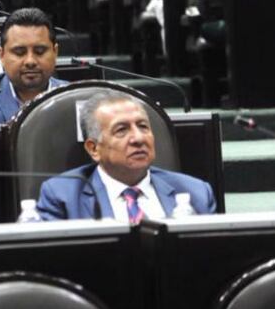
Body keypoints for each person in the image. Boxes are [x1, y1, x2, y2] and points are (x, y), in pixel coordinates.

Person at [37, 91, 216, 221]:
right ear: (94, 149)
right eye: (121, 130)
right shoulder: (62, 197)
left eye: (143, 126)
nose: (138, 138)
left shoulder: (196, 193)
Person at [0, 8, 67, 124]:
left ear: (55, 52)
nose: (30, 61)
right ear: (1, 55)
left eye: (39, 51)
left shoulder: (73, 97)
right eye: (19, 52)